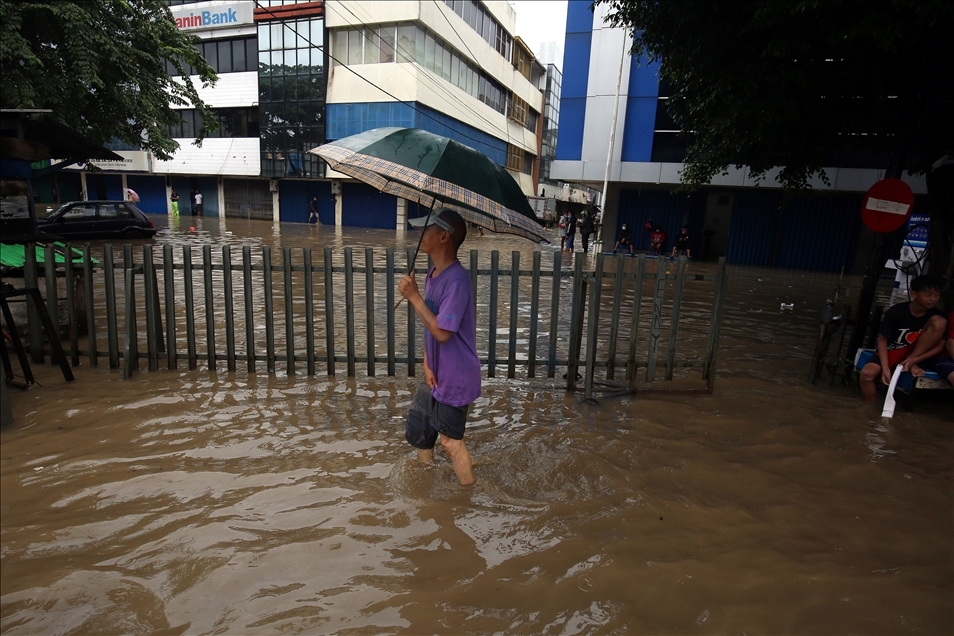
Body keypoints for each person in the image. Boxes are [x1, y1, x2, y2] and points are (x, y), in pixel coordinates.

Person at [398, 208, 480, 485]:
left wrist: (414, 298)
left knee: (451, 442)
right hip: (436, 371)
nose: (420, 234)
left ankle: (467, 498)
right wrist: (426, 361)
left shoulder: (457, 281)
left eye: (427, 229)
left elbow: (443, 333)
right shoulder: (433, 273)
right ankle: (427, 487)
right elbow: (428, 325)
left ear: (443, 236)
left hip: (456, 375)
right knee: (422, 431)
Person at [859, 275, 947, 404]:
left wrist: (914, 360)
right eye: (928, 295)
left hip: (918, 354)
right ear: (914, 294)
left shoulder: (938, 315)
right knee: (866, 374)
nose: (933, 299)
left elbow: (940, 346)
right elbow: (882, 340)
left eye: (937, 295)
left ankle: (911, 363)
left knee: (939, 321)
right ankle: (870, 408)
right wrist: (885, 368)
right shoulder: (897, 312)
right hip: (893, 350)